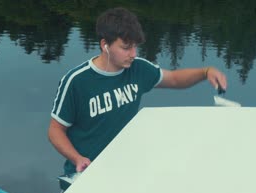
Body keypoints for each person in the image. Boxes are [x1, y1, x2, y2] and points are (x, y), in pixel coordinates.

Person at [49, 7, 227, 176]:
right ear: (105, 45)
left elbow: (173, 78)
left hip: (122, 170)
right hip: (84, 173)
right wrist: (77, 158)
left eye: (135, 47)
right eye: (126, 48)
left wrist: (205, 72)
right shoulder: (77, 81)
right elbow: (55, 130)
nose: (133, 54)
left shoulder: (138, 69)